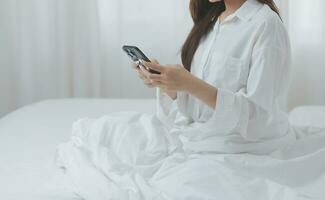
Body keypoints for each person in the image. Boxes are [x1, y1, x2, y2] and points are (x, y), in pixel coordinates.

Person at [56, 0, 325, 199]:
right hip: (198, 133)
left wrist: (190, 83)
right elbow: (198, 105)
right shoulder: (212, 21)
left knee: (177, 187)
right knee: (103, 131)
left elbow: (259, 118)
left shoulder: (265, 26)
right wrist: (170, 85)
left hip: (241, 145)